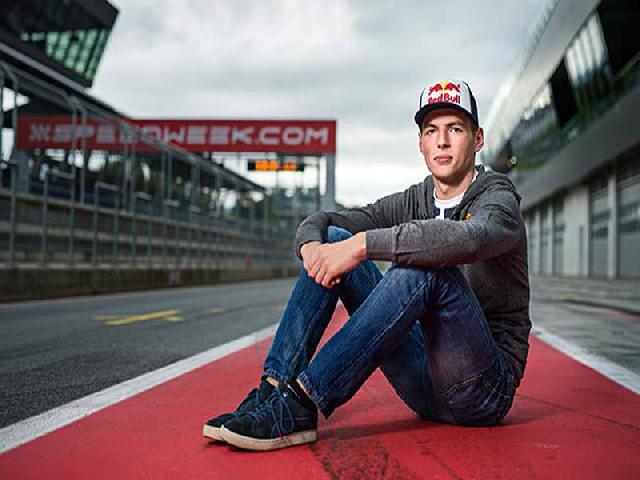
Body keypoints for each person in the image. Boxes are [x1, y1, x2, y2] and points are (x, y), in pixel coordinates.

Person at [203, 79, 531, 451]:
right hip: (422, 384)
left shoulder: (498, 199)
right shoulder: (416, 199)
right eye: (431, 131)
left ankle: (301, 402)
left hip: (482, 391)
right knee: (334, 238)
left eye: (455, 129)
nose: (442, 141)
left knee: (426, 266)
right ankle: (273, 391)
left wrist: (362, 246)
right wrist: (312, 245)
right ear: (421, 143)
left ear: (478, 139)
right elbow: (327, 221)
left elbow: (472, 238)